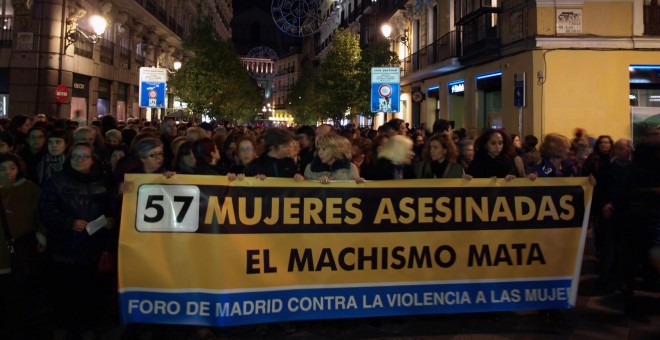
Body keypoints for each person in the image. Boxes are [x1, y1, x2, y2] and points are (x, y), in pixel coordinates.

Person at [39, 142, 116, 338]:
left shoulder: (104, 181)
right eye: (75, 156)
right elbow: (45, 210)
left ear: (93, 160)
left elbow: (111, 206)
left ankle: (86, 325)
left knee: (89, 289)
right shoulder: (56, 181)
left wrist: (110, 220)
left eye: (84, 156)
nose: (79, 160)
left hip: (94, 247)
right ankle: (62, 326)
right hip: (64, 247)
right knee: (64, 289)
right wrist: (68, 222)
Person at [0, 153, 47, 338]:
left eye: (12, 168)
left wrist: (42, 235)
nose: (7, 173)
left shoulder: (29, 189)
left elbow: (42, 214)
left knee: (18, 296)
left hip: (18, 252)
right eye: (2, 169)